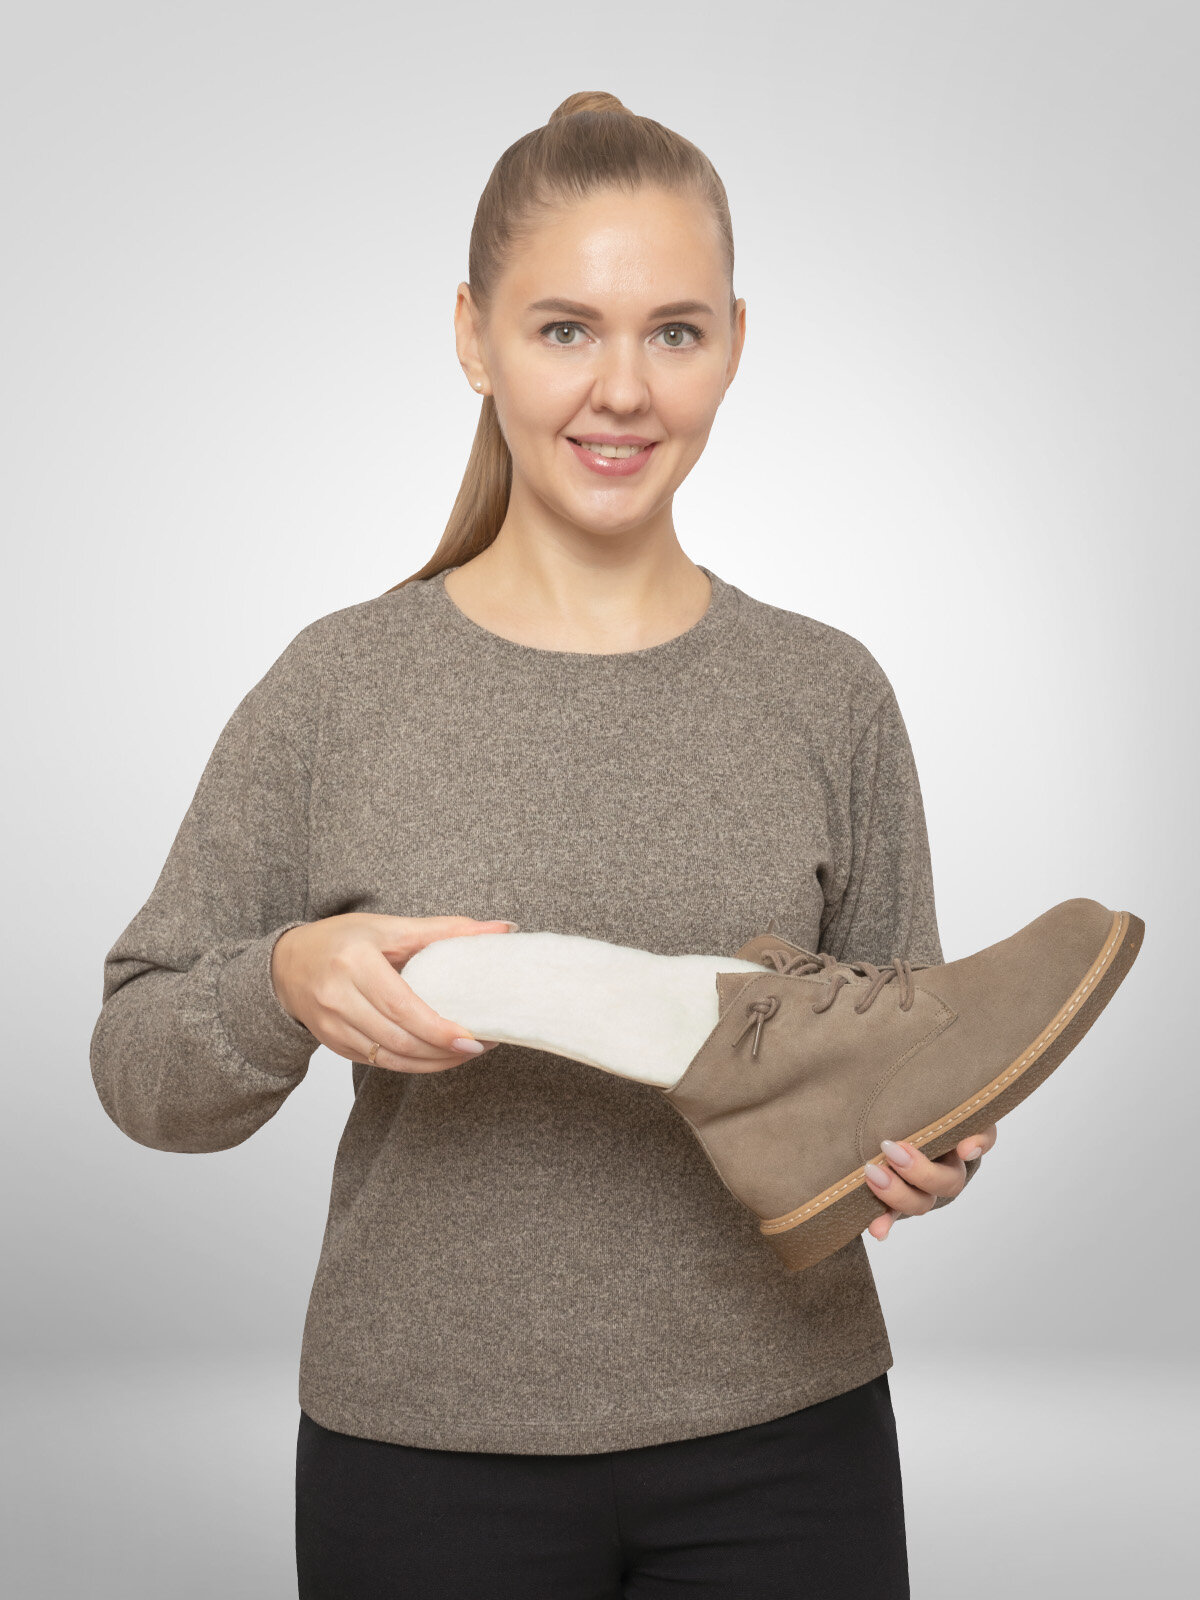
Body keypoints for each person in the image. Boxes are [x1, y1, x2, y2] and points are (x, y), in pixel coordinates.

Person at [90, 89, 996, 1597]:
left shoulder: (827, 692)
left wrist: (929, 1145)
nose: (622, 390)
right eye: (565, 328)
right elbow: (138, 1066)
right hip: (422, 1457)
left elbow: (906, 1048)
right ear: (474, 336)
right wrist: (284, 981)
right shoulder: (340, 687)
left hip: (790, 1443)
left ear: (736, 344)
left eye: (675, 332)